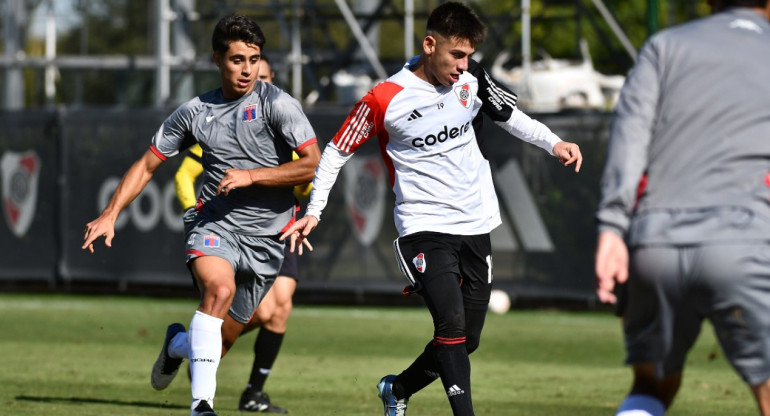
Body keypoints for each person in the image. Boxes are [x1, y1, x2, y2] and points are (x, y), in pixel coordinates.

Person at [281, 3, 582, 416]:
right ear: (429, 44)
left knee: (467, 339)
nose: (463, 65)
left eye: (468, 56)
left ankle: (399, 388)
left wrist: (554, 142)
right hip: (422, 225)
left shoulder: (472, 78)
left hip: (476, 222)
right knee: (452, 326)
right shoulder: (384, 97)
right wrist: (314, 210)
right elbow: (335, 152)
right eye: (456, 55)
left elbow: (509, 115)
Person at [82, 14, 320, 416]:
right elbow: (146, 165)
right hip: (214, 226)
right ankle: (202, 406)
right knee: (219, 292)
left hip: (267, 240)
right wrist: (110, 214)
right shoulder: (194, 112)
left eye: (253, 59)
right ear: (217, 59)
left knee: (221, 340)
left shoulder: (278, 103)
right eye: (237, 59)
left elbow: (311, 163)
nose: (247, 69)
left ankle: (176, 344)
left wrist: (251, 176)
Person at [594, 1, 770, 415]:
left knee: (651, 386)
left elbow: (629, 138)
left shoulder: (664, 46)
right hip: (744, 241)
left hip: (655, 244)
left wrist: (611, 228)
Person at [174, 55, 305, 414]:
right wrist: (194, 208)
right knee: (246, 305)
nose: (250, 80)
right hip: (228, 228)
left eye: (260, 75)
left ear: (271, 78)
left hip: (277, 228)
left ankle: (251, 391)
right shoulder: (217, 122)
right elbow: (184, 174)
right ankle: (195, 352)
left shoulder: (283, 117)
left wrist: (298, 187)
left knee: (278, 309)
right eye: (243, 69)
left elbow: (307, 176)